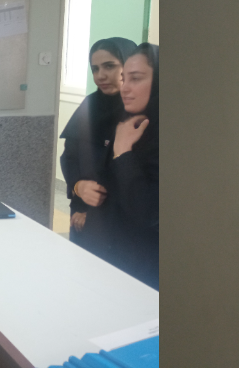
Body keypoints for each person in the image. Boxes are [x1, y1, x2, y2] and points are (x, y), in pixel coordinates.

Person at [59, 37, 137, 254]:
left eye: (109, 66)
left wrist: (92, 214)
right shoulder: (90, 105)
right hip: (81, 211)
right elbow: (69, 157)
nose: (100, 75)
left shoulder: (138, 110)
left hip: (120, 221)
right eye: (95, 69)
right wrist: (78, 188)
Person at [100, 43, 158, 290]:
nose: (124, 88)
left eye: (136, 78)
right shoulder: (127, 125)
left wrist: (124, 152)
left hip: (149, 273)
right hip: (117, 259)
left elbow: (148, 212)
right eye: (124, 79)